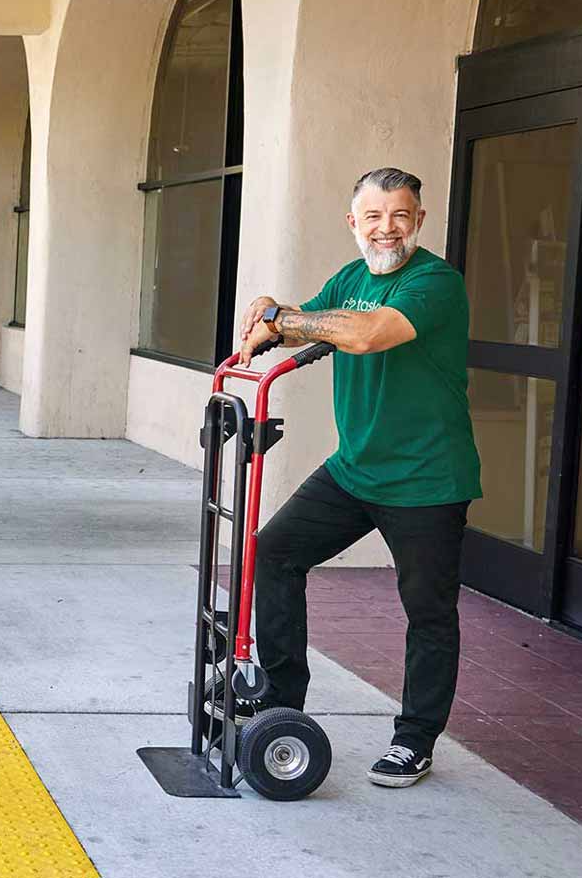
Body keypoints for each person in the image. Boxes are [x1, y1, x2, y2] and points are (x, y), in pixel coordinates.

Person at [234, 166, 481, 788]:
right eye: (373, 216)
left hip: (427, 480)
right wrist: (267, 319)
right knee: (275, 552)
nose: (386, 228)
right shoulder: (349, 278)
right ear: (354, 222)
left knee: (428, 612)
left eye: (399, 215)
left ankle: (414, 740)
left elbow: (367, 334)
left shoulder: (435, 282)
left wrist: (284, 317)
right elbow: (307, 320)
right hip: (354, 470)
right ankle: (281, 704)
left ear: (419, 220)